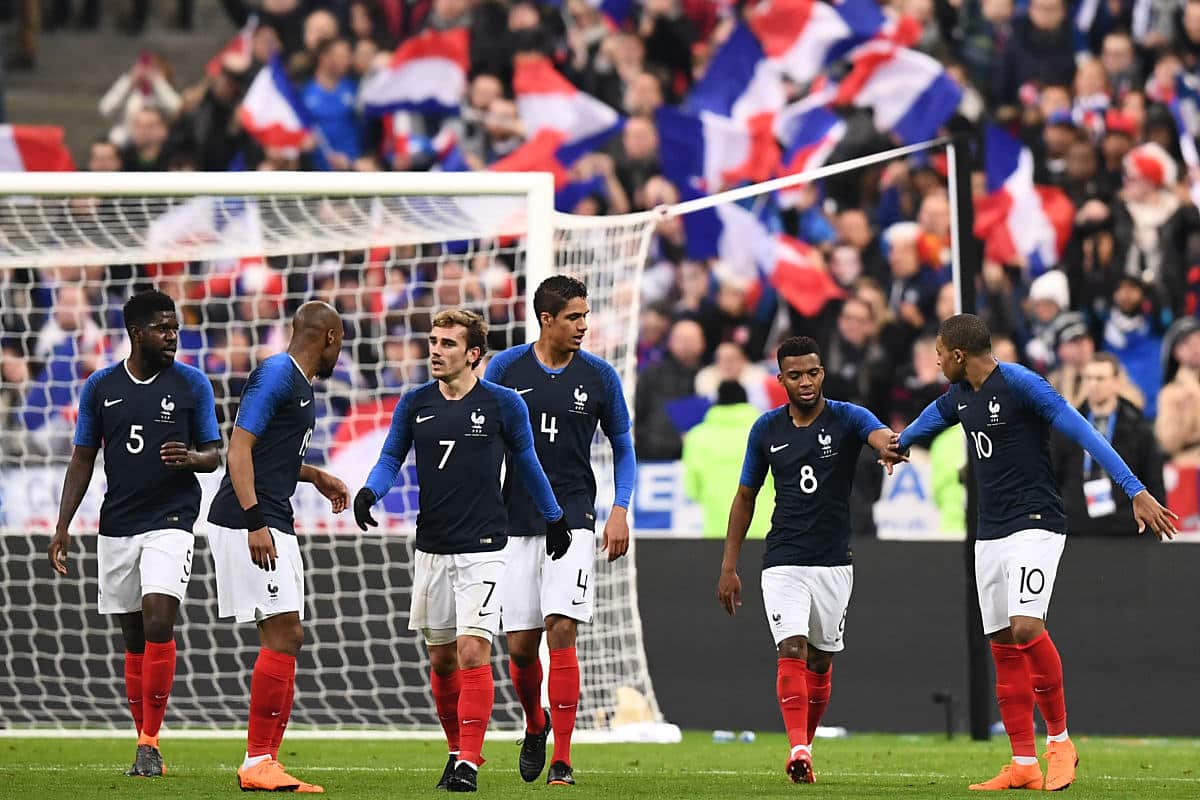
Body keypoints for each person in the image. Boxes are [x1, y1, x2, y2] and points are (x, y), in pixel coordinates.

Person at [897, 314, 1177, 792]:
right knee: (1004, 644)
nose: (936, 360)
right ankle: (1023, 763)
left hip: (1036, 524)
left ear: (959, 355)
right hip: (990, 533)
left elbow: (1085, 432)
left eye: (940, 353)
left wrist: (1135, 489)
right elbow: (929, 419)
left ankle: (1061, 743)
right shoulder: (960, 395)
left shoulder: (1023, 384)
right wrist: (898, 443)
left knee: (1028, 627)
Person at [354, 308, 571, 793]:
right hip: (431, 546)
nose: (435, 350)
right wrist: (372, 490)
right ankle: (458, 750)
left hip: (486, 547)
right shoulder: (414, 403)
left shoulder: (504, 404)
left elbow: (528, 462)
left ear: (474, 354)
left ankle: (470, 764)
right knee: (442, 660)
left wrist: (554, 517)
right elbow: (392, 456)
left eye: (447, 344)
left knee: (473, 650)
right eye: (432, 341)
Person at [48, 290, 220, 777]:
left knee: (159, 616)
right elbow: (83, 458)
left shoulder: (192, 384)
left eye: (176, 329)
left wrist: (192, 459)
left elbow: (214, 452)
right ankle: (144, 740)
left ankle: (149, 742)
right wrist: (62, 526)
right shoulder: (101, 386)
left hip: (172, 519)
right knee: (133, 636)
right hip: (117, 523)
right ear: (136, 332)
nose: (173, 336)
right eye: (164, 328)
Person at [716, 336, 903, 784]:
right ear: (780, 379)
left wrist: (887, 447)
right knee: (791, 647)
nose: (805, 382)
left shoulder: (847, 416)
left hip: (835, 561)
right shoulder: (766, 429)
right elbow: (745, 497)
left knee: (819, 660)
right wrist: (729, 566)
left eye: (812, 373)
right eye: (794, 375)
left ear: (823, 373)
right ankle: (797, 747)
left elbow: (879, 435)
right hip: (783, 559)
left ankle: (807, 746)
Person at [483, 277, 635, 786]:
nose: (583, 326)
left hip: (574, 517)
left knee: (562, 629)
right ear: (546, 319)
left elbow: (623, 446)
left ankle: (564, 759)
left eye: (585, 316)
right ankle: (536, 723)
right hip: (516, 519)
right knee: (522, 648)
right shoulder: (505, 369)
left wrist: (620, 507)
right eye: (574, 317)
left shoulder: (600, 376)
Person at [206, 301, 352, 794]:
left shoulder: (300, 386)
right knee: (283, 630)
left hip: (273, 514)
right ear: (330, 338)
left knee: (290, 635)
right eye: (342, 343)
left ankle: (265, 759)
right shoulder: (276, 375)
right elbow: (239, 449)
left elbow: (272, 457)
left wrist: (315, 476)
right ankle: (257, 761)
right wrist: (254, 522)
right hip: (251, 517)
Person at [1050, 353, 1166, 536]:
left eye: (1100, 378)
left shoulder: (1139, 429)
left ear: (1117, 381)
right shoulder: (1065, 428)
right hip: (1076, 528)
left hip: (1126, 529)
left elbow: (1153, 482)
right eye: (1088, 378)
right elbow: (1053, 477)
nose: (1093, 385)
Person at [682, 380, 772, 539]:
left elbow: (692, 489)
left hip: (718, 532)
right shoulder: (768, 431)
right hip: (765, 530)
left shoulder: (697, 437)